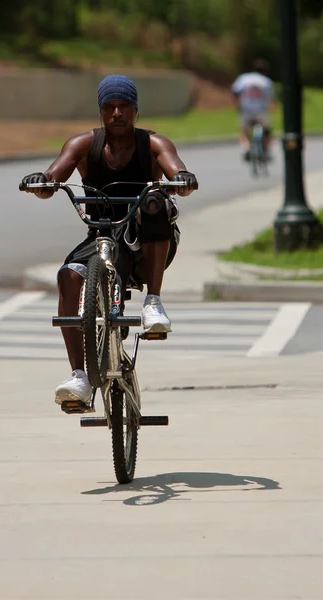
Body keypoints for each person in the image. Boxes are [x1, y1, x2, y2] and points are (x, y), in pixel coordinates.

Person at [20, 74, 198, 407]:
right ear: (101, 112)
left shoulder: (154, 144)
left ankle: (154, 303)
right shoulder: (83, 145)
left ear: (135, 110)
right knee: (68, 276)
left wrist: (183, 181)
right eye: (109, 107)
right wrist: (40, 182)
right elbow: (52, 178)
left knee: (155, 201)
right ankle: (80, 377)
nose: (117, 113)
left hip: (147, 236)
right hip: (101, 232)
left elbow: (177, 173)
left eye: (124, 106)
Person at [231, 59, 276, 161]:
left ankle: (246, 148)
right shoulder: (266, 81)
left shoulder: (244, 78)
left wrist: (237, 105)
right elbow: (271, 98)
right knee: (267, 131)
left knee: (244, 130)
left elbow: (235, 92)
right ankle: (267, 151)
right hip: (261, 110)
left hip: (246, 109)